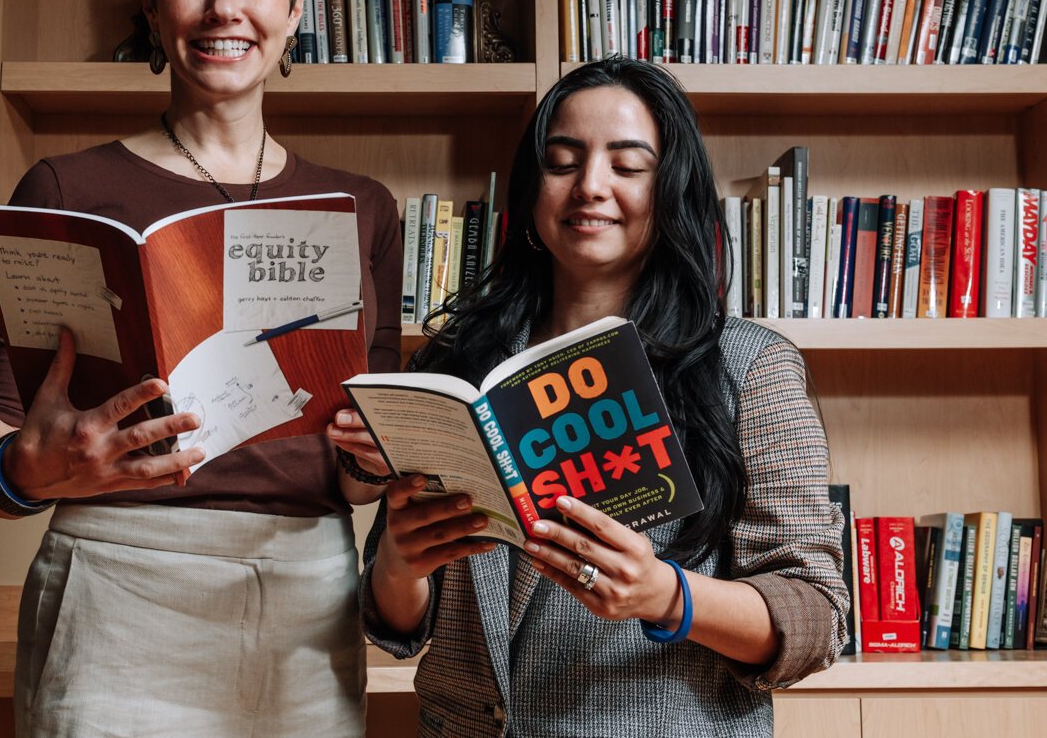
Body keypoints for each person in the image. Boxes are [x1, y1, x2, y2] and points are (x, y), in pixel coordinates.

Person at [0, 0, 402, 738]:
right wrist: (26, 472)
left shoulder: (364, 208)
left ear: (296, 8)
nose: (223, 8)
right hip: (115, 582)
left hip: (307, 596)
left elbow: (354, 474)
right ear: (156, 10)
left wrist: (379, 457)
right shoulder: (61, 186)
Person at [338, 58, 848, 737]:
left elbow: (817, 616)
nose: (590, 187)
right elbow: (399, 624)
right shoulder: (457, 367)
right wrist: (400, 569)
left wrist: (668, 595)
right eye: (561, 162)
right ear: (531, 190)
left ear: (670, 193)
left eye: (628, 166)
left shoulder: (750, 368)